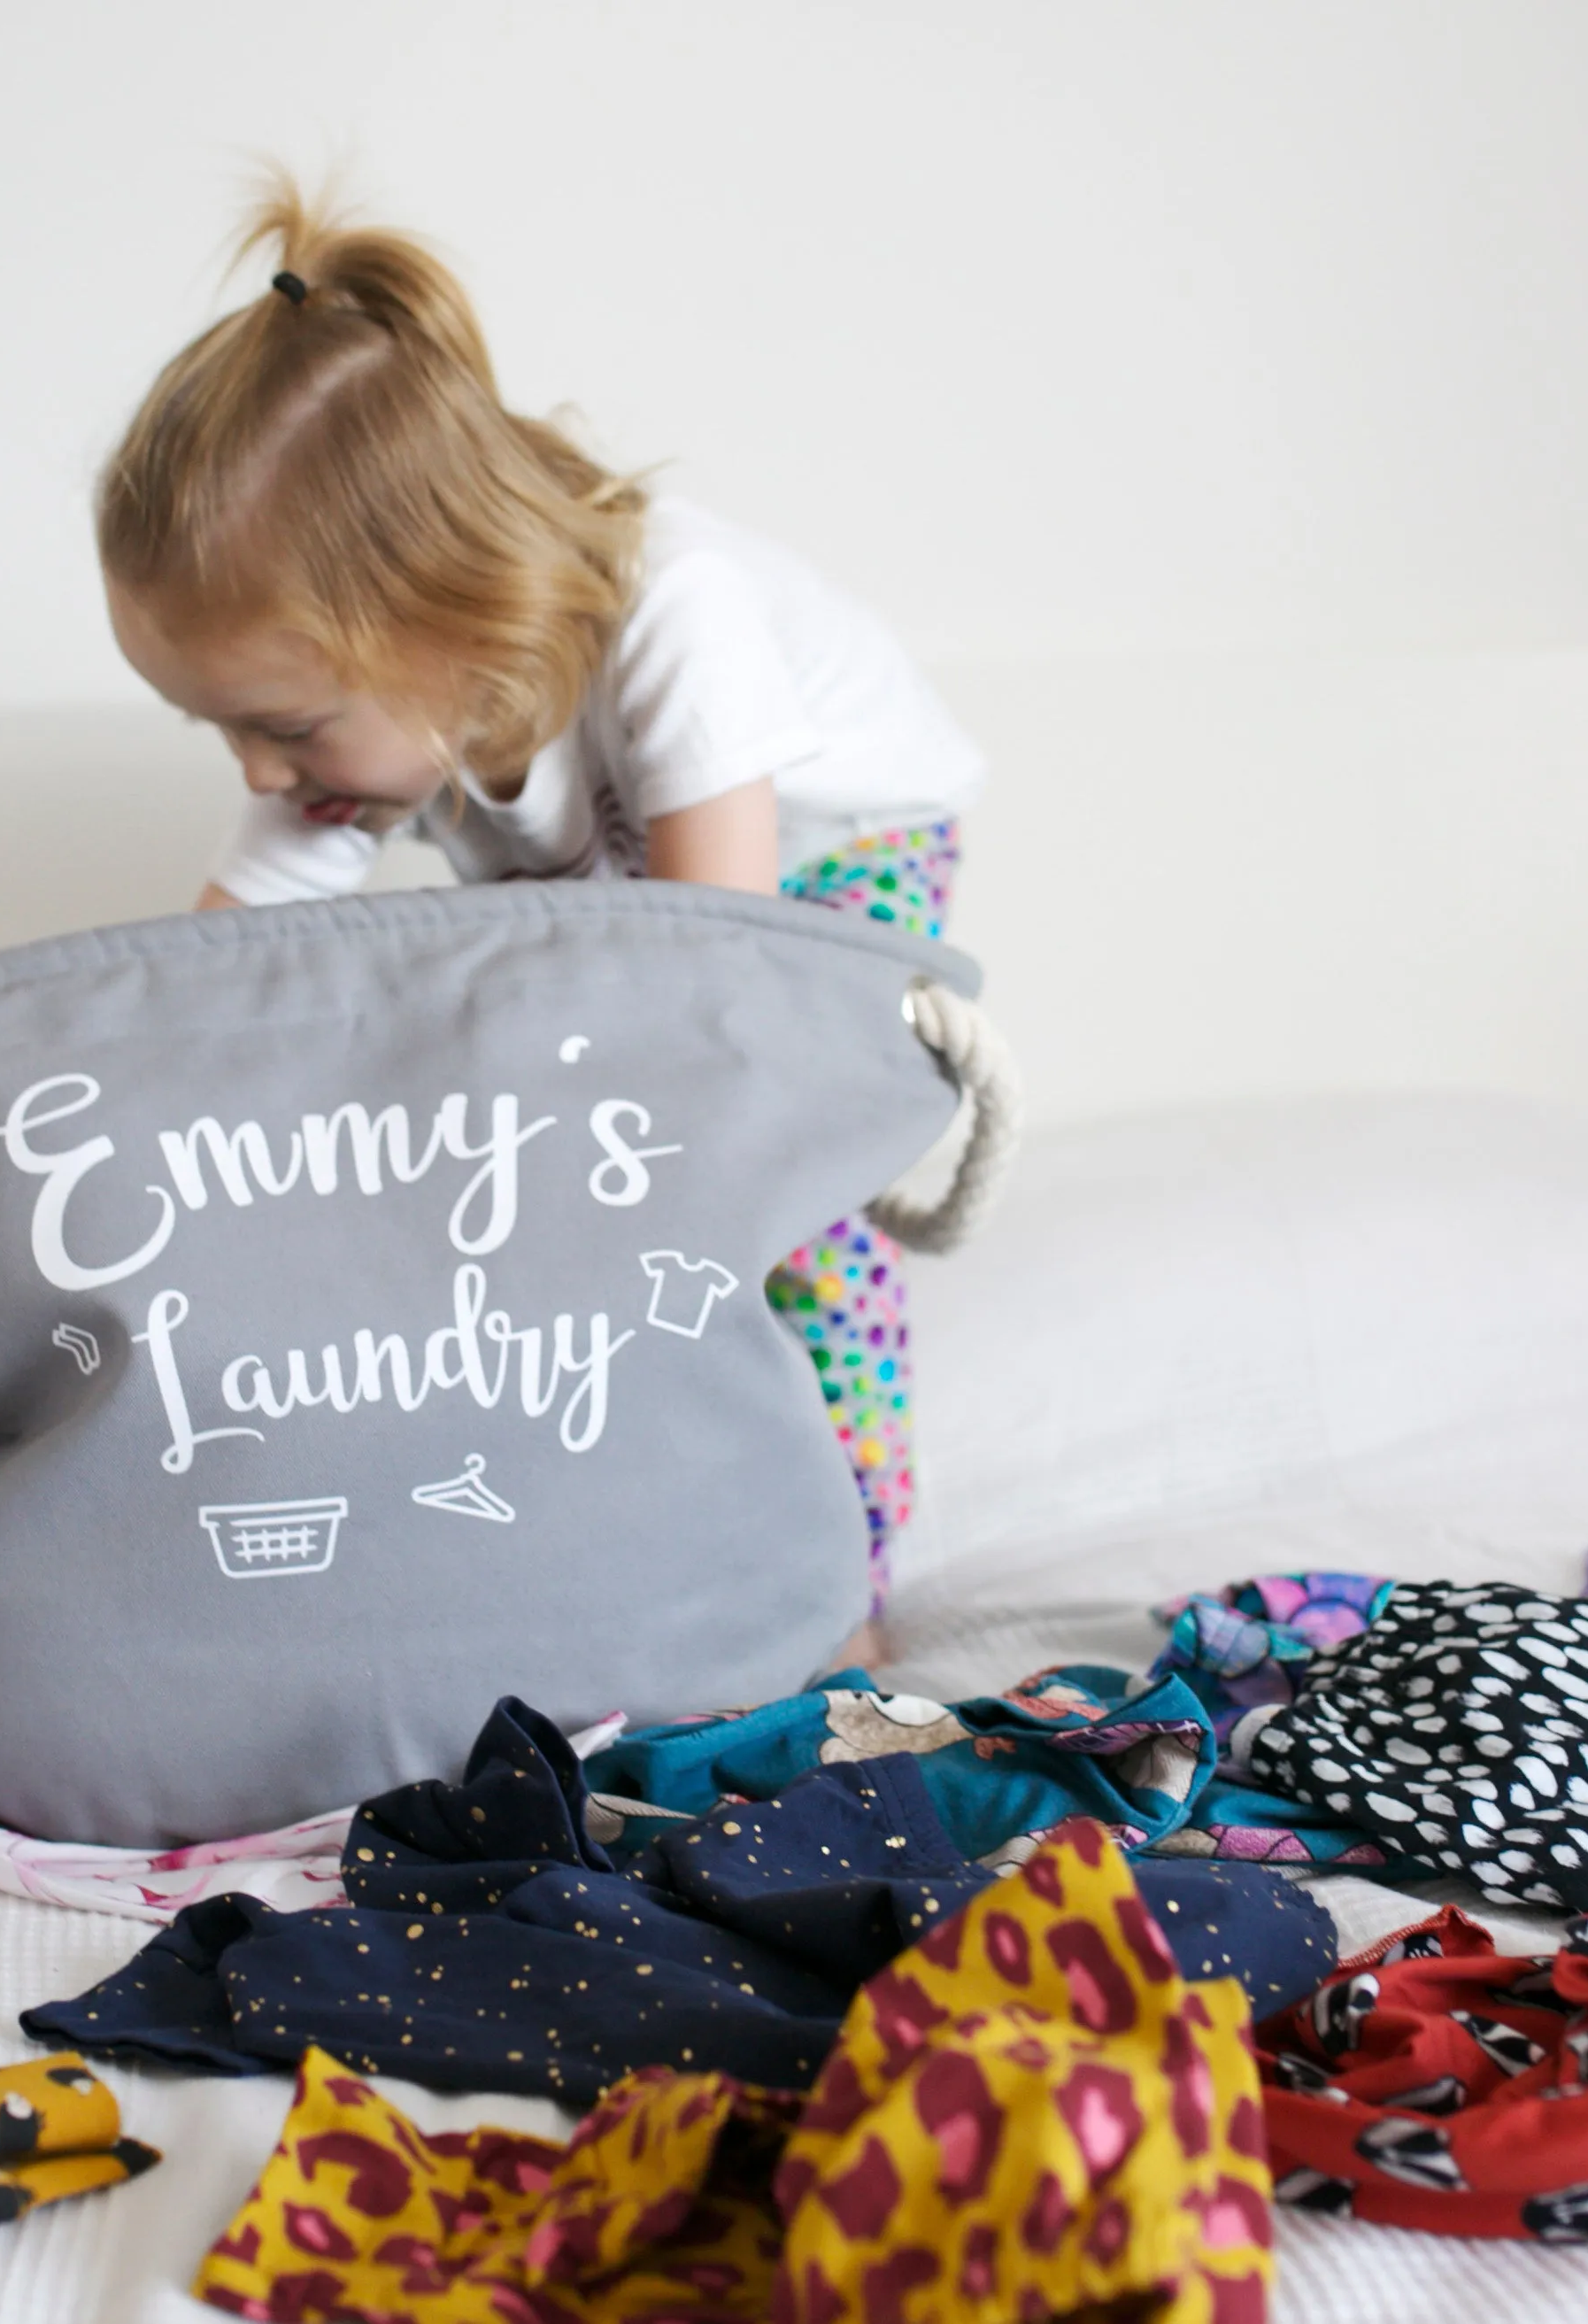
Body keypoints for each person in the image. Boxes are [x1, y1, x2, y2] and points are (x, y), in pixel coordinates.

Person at [95, 181, 984, 1623]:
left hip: (818, 862)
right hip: (660, 929)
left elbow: (723, 984)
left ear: (450, 621)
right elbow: (197, 996)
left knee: (785, 1211)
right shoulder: (379, 739)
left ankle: (847, 1584)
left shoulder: (675, 619)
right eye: (223, 735)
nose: (261, 771)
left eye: (288, 727)